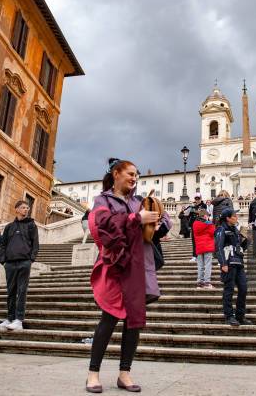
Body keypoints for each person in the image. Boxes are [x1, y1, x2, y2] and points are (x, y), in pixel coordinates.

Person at [85, 158, 160, 393]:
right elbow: (105, 224)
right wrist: (137, 218)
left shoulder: (139, 201)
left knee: (133, 322)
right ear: (116, 174)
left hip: (139, 268)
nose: (134, 178)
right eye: (130, 173)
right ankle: (93, 374)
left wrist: (157, 221)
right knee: (108, 319)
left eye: (136, 175)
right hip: (117, 267)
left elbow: (161, 223)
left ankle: (124, 374)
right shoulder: (102, 200)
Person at [0, 201, 39, 332]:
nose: (26, 210)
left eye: (27, 208)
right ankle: (9, 318)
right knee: (10, 291)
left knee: (22, 291)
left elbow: (35, 243)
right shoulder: (9, 227)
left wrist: (31, 259)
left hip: (24, 262)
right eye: (23, 208)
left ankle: (19, 319)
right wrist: (3, 260)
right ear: (16, 210)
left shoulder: (31, 225)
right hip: (10, 263)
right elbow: (3, 244)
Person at [215, 209, 251, 326]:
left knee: (243, 289)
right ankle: (229, 316)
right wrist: (223, 263)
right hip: (229, 263)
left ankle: (240, 316)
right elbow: (218, 248)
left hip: (239, 263)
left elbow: (240, 248)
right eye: (234, 216)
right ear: (228, 218)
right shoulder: (221, 229)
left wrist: (247, 240)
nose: (236, 217)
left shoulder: (236, 230)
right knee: (229, 290)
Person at [192, 209, 215, 289]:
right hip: (207, 246)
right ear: (205, 216)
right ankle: (207, 283)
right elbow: (213, 233)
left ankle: (200, 282)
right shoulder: (208, 224)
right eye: (207, 216)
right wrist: (210, 223)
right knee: (208, 265)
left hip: (199, 247)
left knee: (200, 265)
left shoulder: (195, 224)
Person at [187, 193, 208, 261]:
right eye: (196, 198)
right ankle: (195, 256)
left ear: (200, 199)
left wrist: (194, 210)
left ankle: (202, 255)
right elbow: (187, 215)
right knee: (194, 240)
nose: (197, 200)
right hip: (194, 225)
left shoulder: (203, 205)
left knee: (202, 240)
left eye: (198, 198)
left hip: (201, 224)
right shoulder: (192, 206)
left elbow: (203, 213)